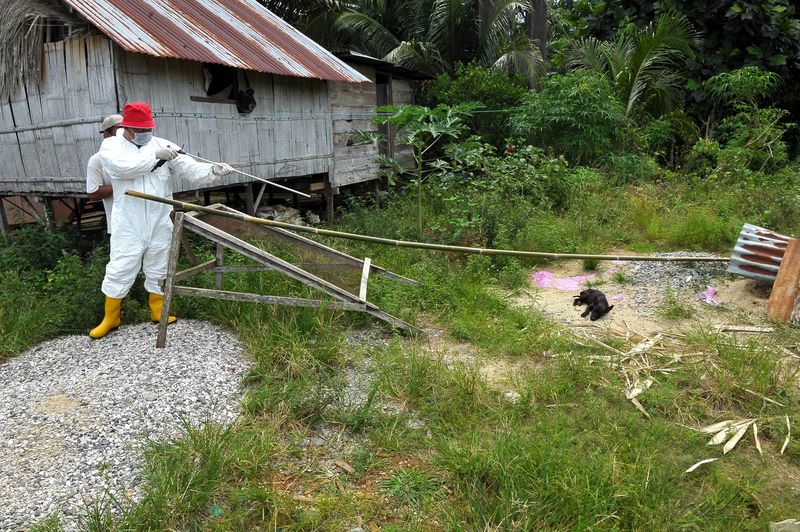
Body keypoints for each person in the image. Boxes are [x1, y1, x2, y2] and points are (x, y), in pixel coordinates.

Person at [89, 102, 234, 339]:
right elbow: (122, 169)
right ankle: (111, 317)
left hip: (159, 218)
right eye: (141, 130)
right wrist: (155, 158)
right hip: (128, 222)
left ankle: (158, 309)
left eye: (148, 129)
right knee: (120, 266)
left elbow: (190, 169)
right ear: (127, 127)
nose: (146, 134)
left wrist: (213, 171)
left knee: (159, 264)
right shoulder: (111, 146)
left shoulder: (162, 145)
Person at [86, 114, 123, 234]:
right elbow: (93, 193)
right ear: (106, 134)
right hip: (119, 227)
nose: (122, 135)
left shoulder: (136, 155)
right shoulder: (97, 160)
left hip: (143, 224)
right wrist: (122, 186)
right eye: (118, 131)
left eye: (125, 130)